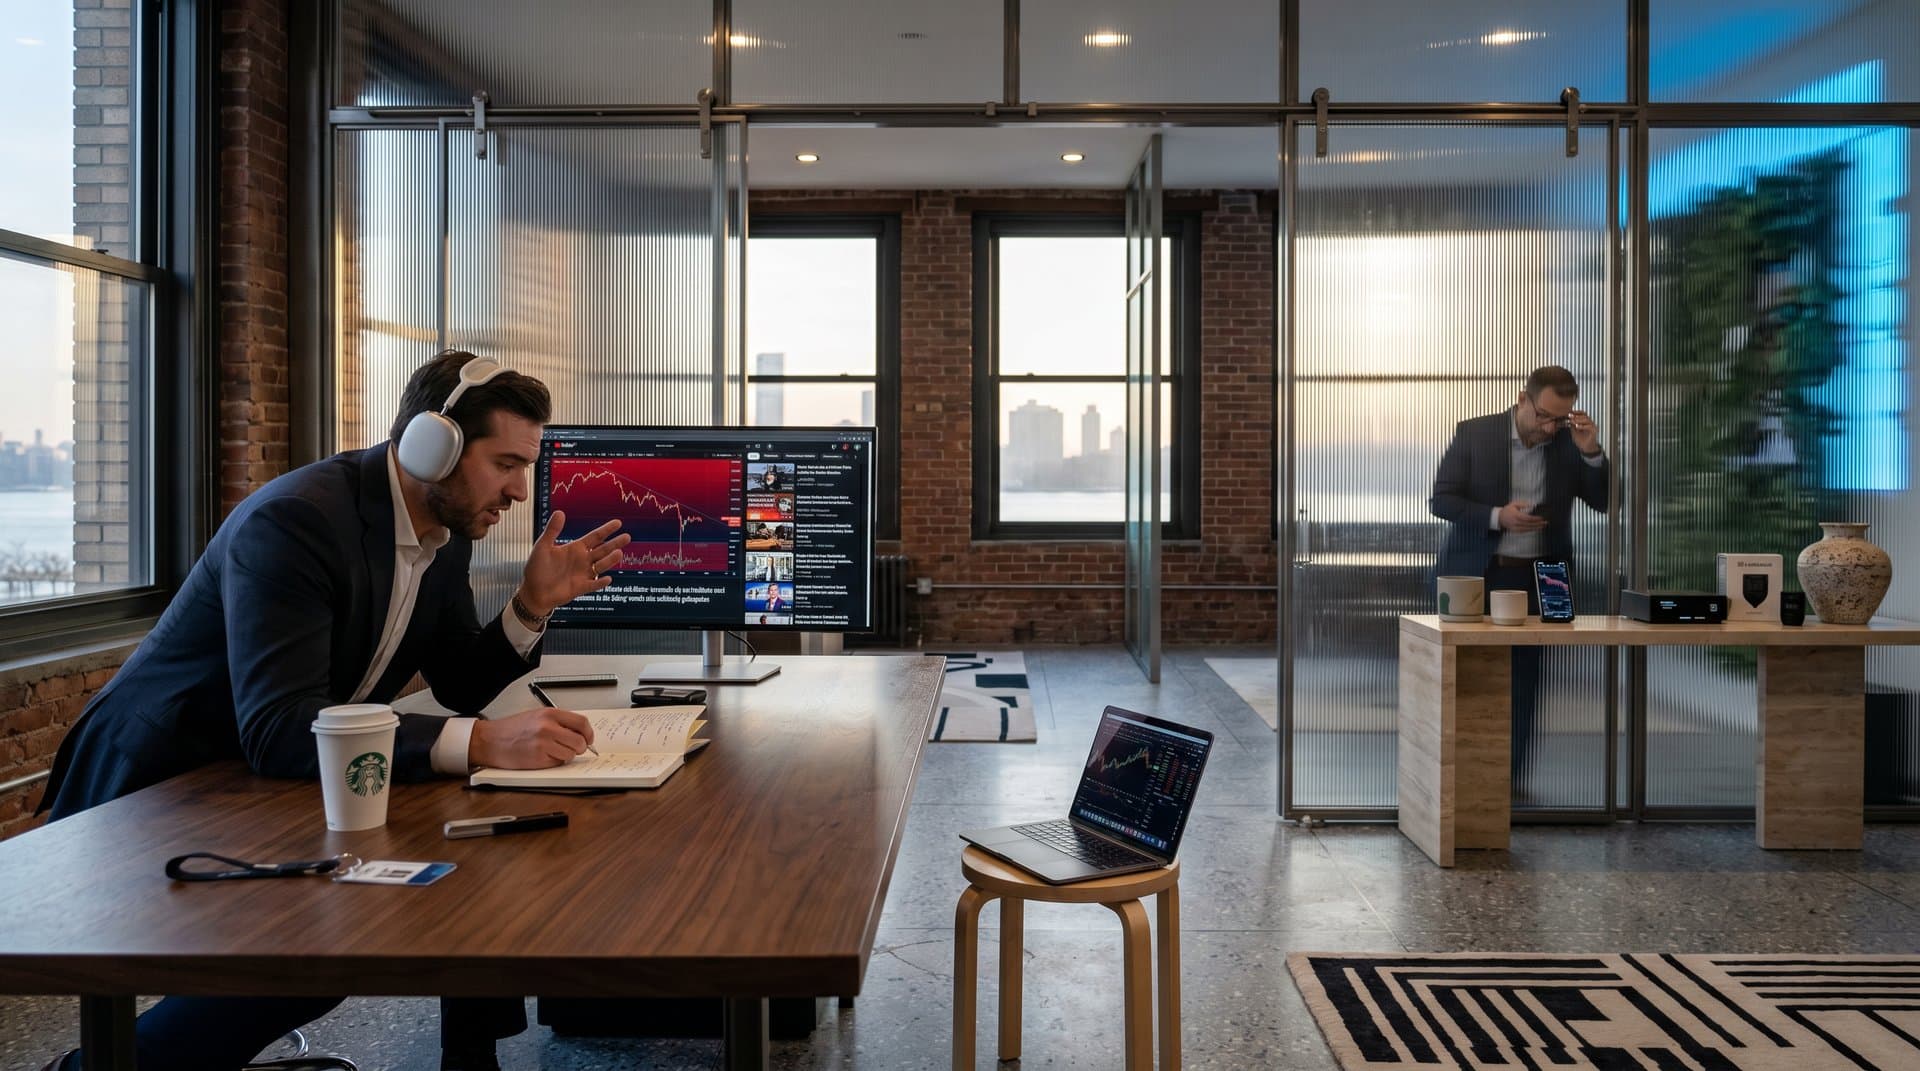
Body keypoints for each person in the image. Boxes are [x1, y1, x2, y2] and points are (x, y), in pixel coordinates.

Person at [36, 350, 631, 1071]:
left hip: (264, 781)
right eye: (505, 462)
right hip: (160, 791)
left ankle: (470, 1058)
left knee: (474, 856)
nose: (518, 488)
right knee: (311, 953)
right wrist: (480, 743)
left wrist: (531, 606)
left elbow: (460, 683)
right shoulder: (296, 523)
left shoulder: (441, 540)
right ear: (431, 443)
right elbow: (279, 725)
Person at [1429, 365, 1608, 792]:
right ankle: (1459, 774)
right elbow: (1441, 499)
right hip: (1480, 571)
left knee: (1526, 680)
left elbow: (1603, 502)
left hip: (1545, 575)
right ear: (1522, 400)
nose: (1549, 427)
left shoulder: (1570, 442)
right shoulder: (1476, 433)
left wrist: (1591, 451)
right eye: (1544, 415)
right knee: (1466, 676)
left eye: (1559, 419)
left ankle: (1508, 781)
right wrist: (1498, 517)